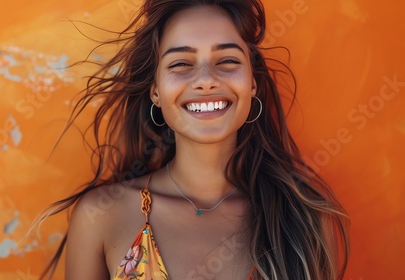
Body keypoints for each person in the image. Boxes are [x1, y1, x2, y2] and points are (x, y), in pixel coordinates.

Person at [38, 0, 349, 279]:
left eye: (227, 61)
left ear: (252, 83)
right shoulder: (101, 215)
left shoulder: (305, 216)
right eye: (180, 64)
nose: (206, 80)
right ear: (156, 91)